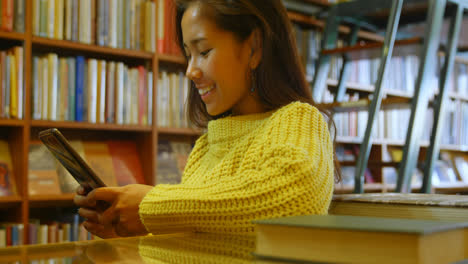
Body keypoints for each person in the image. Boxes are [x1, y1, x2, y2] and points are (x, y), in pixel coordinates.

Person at [74, 0, 340, 239]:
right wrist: (125, 228)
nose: (190, 71)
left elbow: (294, 199)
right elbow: (198, 238)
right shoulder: (204, 148)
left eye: (203, 51)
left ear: (254, 48)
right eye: (188, 55)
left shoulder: (300, 119)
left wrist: (150, 207)